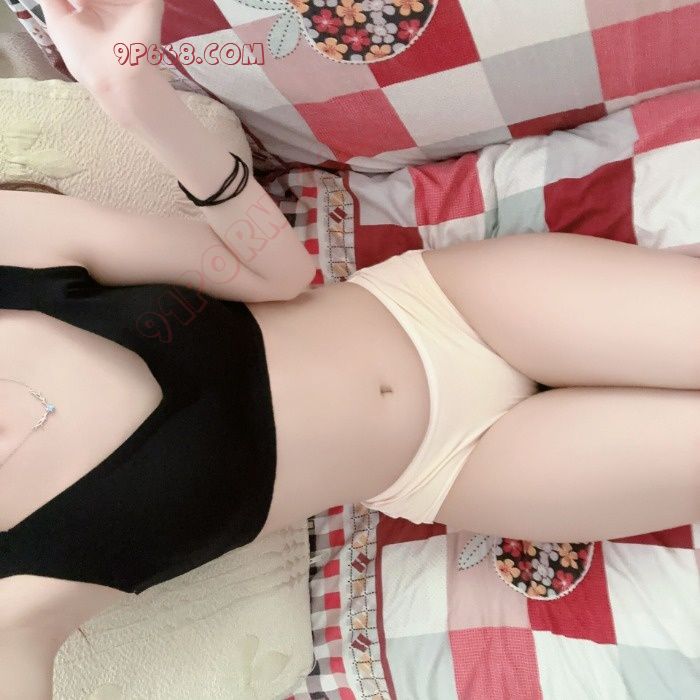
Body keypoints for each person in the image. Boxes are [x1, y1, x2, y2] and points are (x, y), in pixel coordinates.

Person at [1, 0, 698, 696]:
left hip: (449, 308)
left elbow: (275, 274)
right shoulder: (12, 600)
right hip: (456, 466)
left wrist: (139, 102)